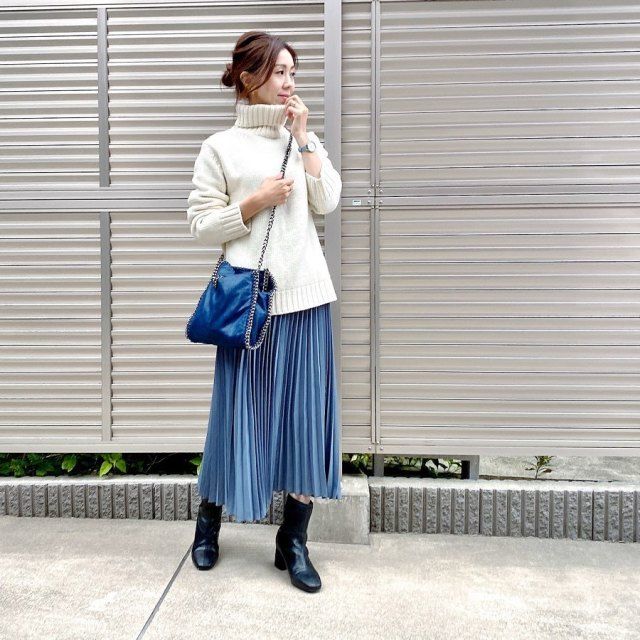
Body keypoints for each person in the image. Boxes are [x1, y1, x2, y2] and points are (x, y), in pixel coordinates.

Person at [185, 30, 343, 593]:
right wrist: (253, 203)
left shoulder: (302, 138)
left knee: (304, 420)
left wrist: (304, 139)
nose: (289, 82)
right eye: (279, 72)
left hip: (307, 299)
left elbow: (328, 201)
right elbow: (201, 224)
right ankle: (208, 523)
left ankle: (293, 540)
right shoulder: (220, 147)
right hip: (249, 307)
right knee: (236, 417)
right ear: (249, 77)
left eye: (293, 72)